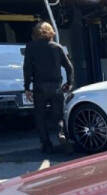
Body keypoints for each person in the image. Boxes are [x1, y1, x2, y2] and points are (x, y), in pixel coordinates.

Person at [23, 21, 74, 153]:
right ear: (51, 32)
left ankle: (46, 144)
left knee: (40, 116)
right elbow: (69, 67)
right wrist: (69, 83)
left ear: (35, 33)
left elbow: (27, 69)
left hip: (39, 86)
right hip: (56, 86)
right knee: (58, 115)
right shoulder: (57, 47)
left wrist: (27, 87)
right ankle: (62, 135)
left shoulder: (30, 47)